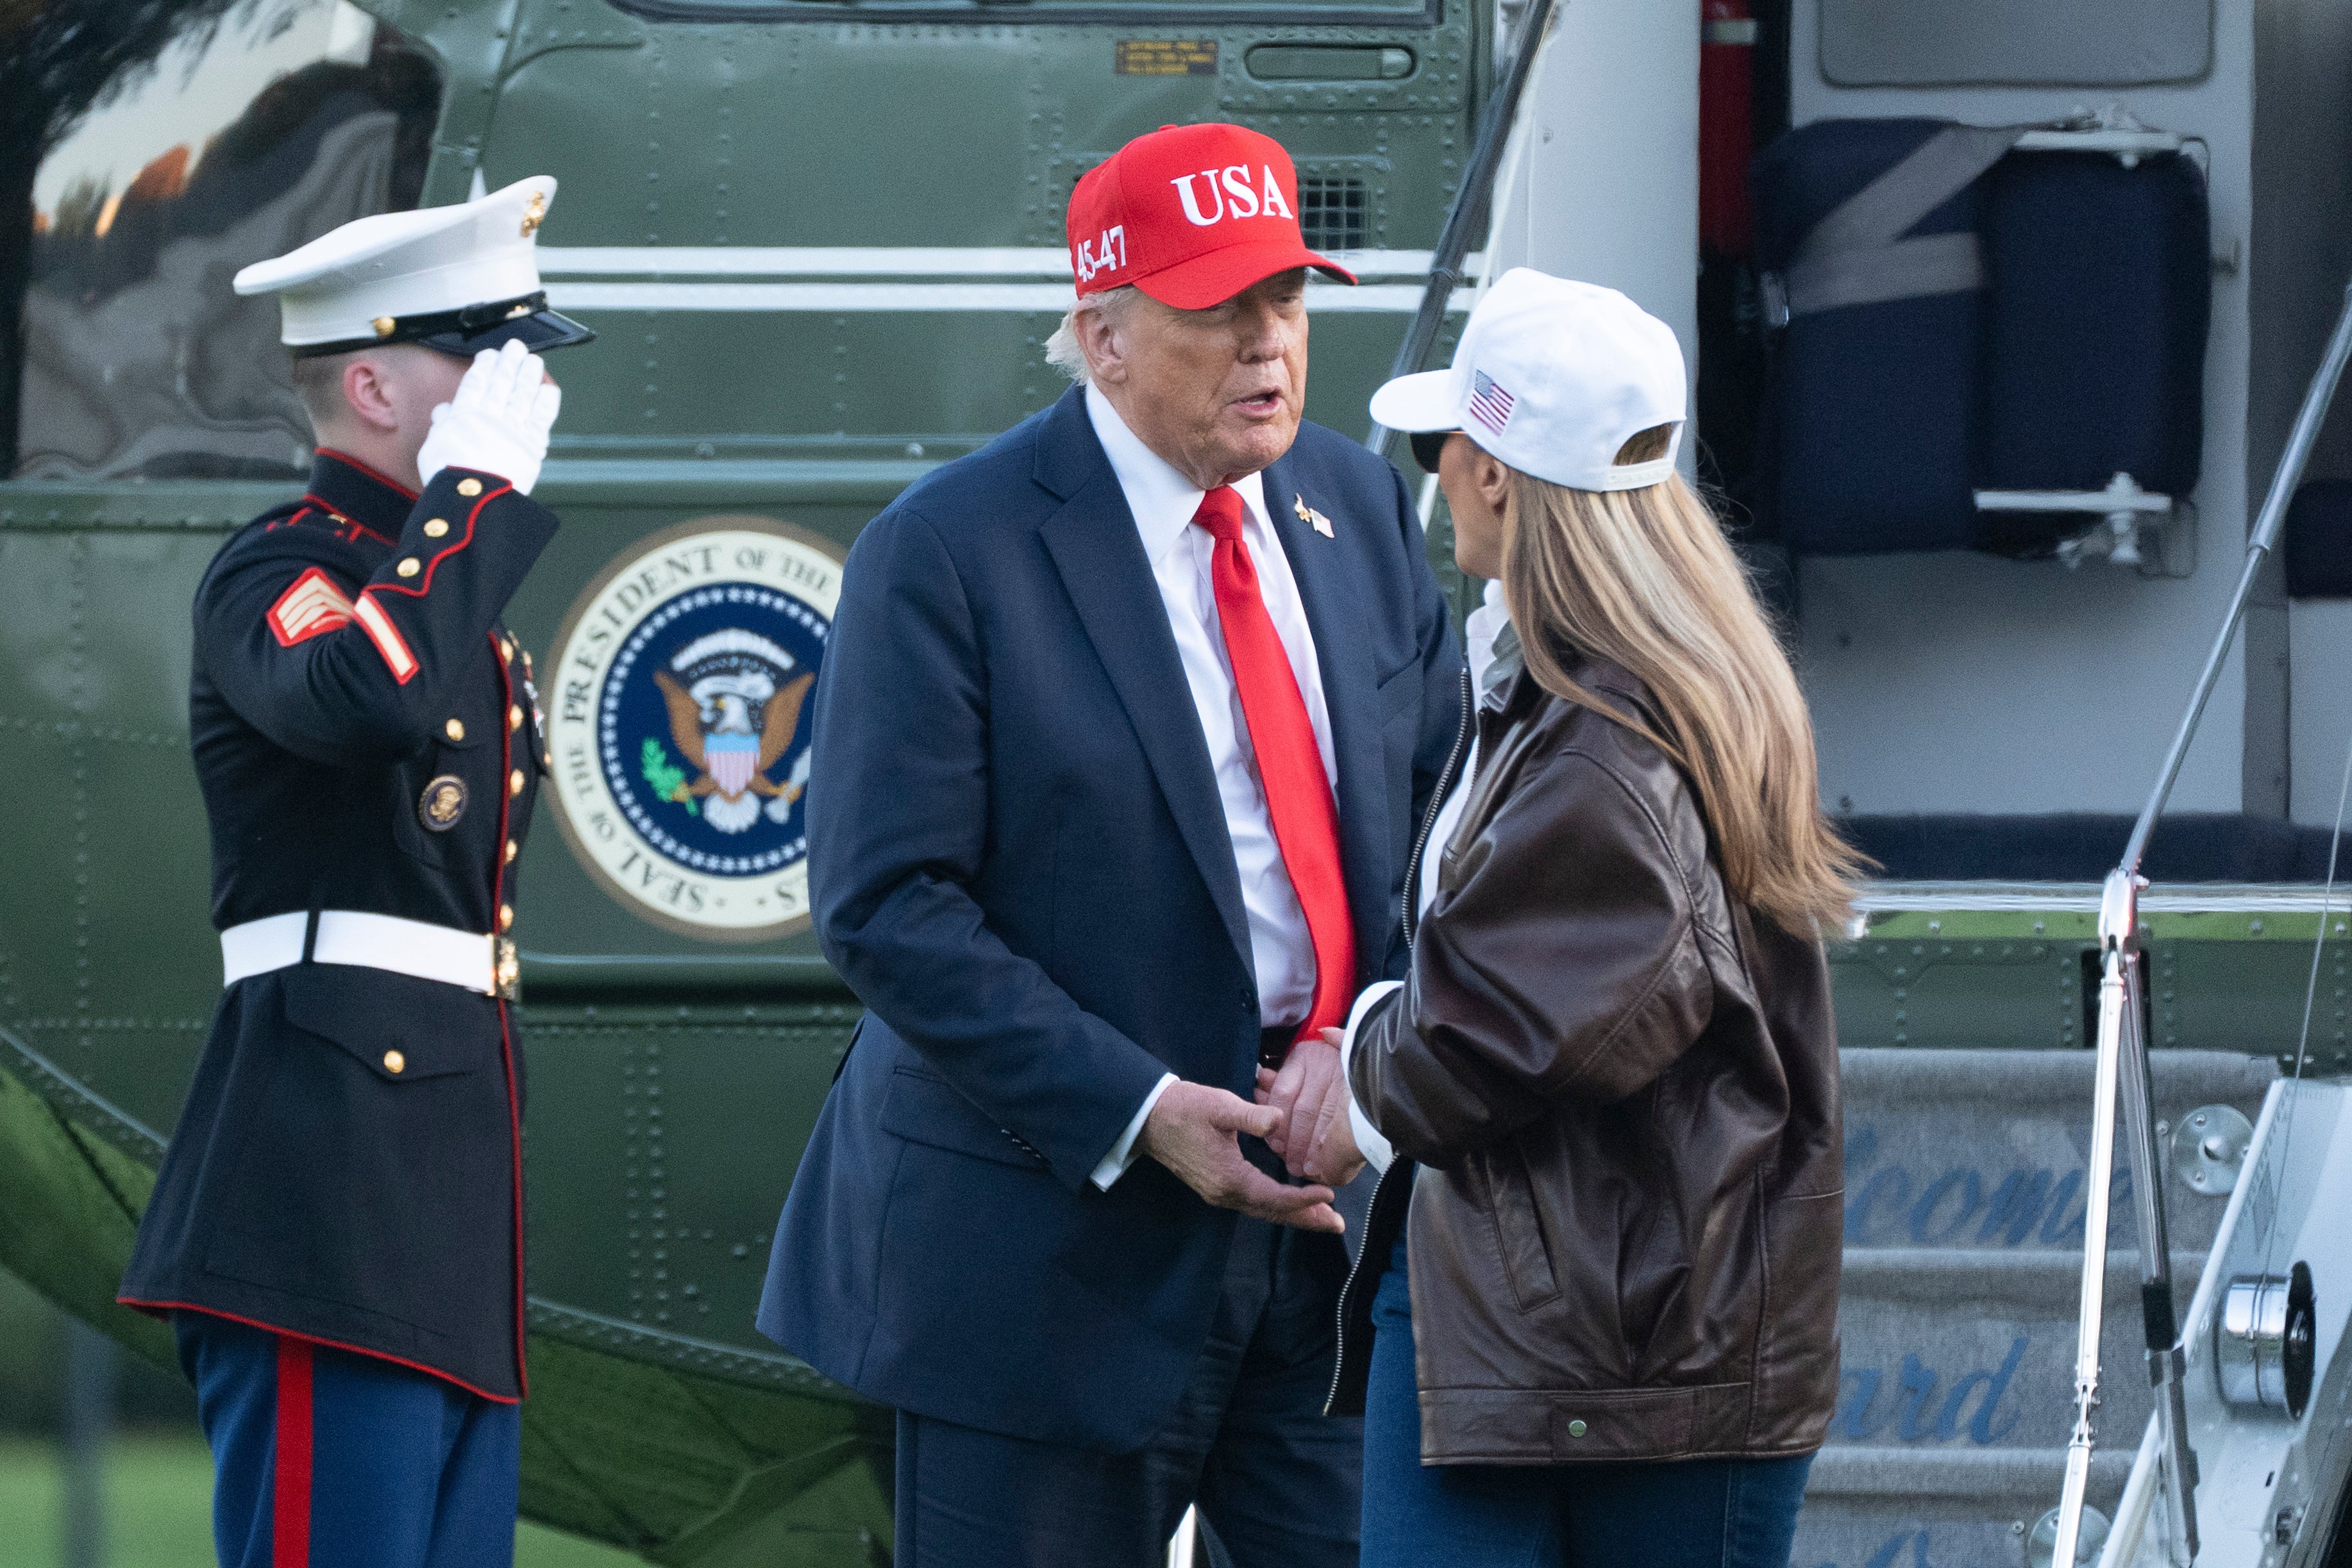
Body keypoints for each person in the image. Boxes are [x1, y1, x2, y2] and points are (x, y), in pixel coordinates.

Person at [757, 121, 1466, 1567]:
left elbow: (1440, 820)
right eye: (1219, 309)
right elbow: (888, 900)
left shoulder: (1362, 509)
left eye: (1289, 299)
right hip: (1039, 1258)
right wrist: (1142, 1106)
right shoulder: (950, 550)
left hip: (1324, 1241)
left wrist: (1362, 1025)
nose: (1269, 342)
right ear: (1103, 336)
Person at [1303, 269, 1858, 1568]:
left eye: (1453, 438)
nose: (1436, 465)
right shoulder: (1650, 685)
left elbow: (1498, 1032)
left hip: (1619, 1349)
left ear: (1493, 473)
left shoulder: (1605, 736)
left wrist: (1352, 1063)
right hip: (1612, 1332)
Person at [117, 176, 590, 1568]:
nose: (513, 384)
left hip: (434, 1191)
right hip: (323, 1192)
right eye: (478, 352)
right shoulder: (283, 570)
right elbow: (362, 701)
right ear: (375, 384)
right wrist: (467, 503)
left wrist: (454, 525)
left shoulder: (437, 591)